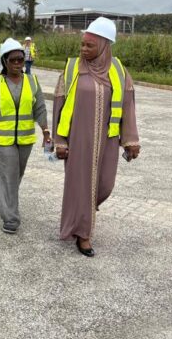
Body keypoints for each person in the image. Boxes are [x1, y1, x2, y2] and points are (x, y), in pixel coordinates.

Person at [52, 17, 141, 257]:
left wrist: (131, 140)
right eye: (82, 44)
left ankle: (83, 214)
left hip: (108, 140)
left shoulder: (119, 71)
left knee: (105, 185)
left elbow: (128, 106)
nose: (83, 49)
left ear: (104, 46)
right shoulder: (72, 68)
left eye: (89, 45)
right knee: (81, 185)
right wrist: (60, 141)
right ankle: (83, 234)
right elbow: (59, 105)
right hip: (78, 140)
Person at [0, 38, 50, 234]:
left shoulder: (32, 81)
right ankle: (11, 219)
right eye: (13, 60)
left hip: (25, 139)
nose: (17, 63)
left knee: (15, 176)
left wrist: (46, 132)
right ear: (4, 61)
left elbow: (40, 108)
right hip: (1, 140)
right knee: (8, 177)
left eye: (20, 60)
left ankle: (5, 201)